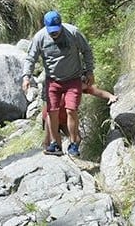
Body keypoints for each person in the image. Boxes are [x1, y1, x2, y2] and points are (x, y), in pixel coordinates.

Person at [22, 10, 94, 157]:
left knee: (71, 110)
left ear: (61, 25)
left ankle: (74, 144)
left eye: (56, 30)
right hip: (52, 81)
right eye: (51, 31)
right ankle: (55, 144)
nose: (54, 34)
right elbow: (30, 58)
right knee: (52, 112)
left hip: (73, 79)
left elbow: (86, 51)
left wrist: (89, 71)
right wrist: (26, 76)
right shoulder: (40, 37)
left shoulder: (73, 33)